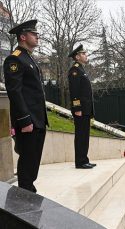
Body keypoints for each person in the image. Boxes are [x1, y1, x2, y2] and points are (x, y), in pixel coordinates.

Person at [4, 19, 48, 193]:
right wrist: (24, 120)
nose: (37, 37)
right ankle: (25, 194)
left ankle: (28, 191)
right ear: (23, 37)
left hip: (37, 118)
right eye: (33, 34)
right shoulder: (14, 60)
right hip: (28, 120)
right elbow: (15, 92)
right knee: (28, 159)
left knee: (34, 159)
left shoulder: (28, 58)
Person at [68, 44, 96, 169]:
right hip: (80, 110)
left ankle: (84, 159)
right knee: (80, 136)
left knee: (84, 135)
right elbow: (75, 92)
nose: (86, 55)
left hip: (86, 109)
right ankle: (80, 162)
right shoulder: (74, 70)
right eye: (83, 54)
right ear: (77, 56)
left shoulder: (81, 70)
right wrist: (77, 108)